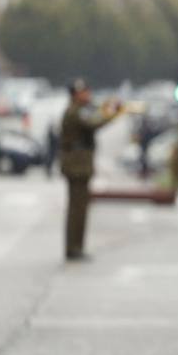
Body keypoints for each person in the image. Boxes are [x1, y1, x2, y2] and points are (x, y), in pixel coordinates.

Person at [60, 79, 122, 261]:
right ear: (76, 94)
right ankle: (73, 248)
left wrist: (106, 106)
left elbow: (93, 114)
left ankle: (75, 247)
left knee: (79, 208)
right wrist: (113, 114)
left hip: (78, 165)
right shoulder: (74, 112)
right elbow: (94, 123)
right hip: (76, 166)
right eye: (84, 92)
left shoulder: (77, 110)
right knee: (78, 209)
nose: (88, 95)